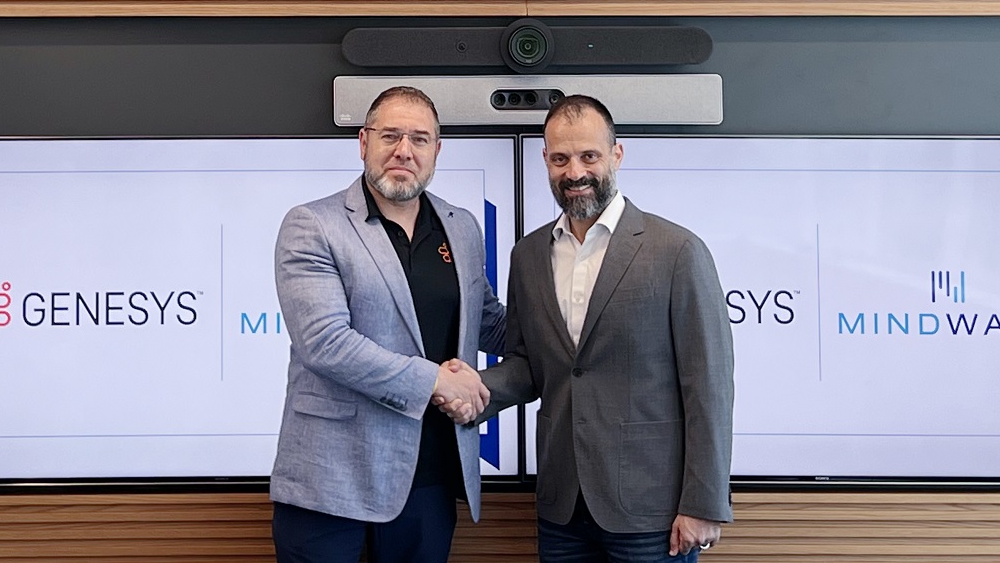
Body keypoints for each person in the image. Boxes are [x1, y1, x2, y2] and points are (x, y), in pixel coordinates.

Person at [441, 95, 735, 562]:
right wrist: (474, 388)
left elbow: (709, 387)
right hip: (561, 509)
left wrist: (703, 503)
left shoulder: (677, 250)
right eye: (560, 159)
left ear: (616, 155)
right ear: (545, 161)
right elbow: (531, 367)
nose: (574, 171)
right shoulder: (529, 255)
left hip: (651, 512)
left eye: (588, 156)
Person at [270, 85, 505, 563]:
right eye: (390, 135)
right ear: (363, 142)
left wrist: (581, 323)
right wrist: (437, 380)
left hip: (429, 483)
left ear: (437, 151)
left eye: (420, 139)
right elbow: (326, 343)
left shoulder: (461, 228)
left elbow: (488, 323)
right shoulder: (313, 225)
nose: (404, 150)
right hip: (331, 486)